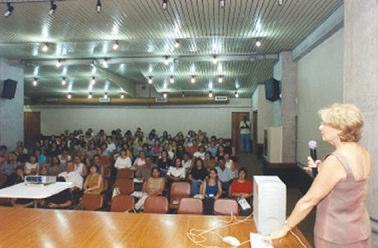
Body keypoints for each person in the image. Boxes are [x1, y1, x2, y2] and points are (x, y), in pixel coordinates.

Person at [268, 104, 371, 247]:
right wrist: (322, 170)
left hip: (335, 235)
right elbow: (347, 186)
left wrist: (285, 228)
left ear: (340, 129)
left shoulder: (336, 160)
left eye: (325, 123)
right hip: (359, 231)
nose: (320, 127)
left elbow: (309, 201)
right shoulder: (363, 152)